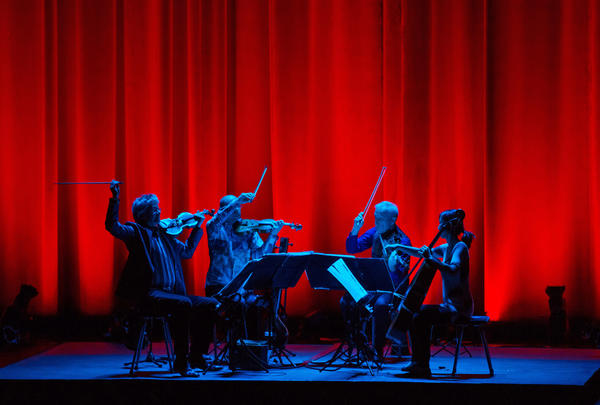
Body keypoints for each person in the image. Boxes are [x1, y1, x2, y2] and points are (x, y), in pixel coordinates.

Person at [105, 180, 219, 377]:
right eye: (155, 209)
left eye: (158, 209)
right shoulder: (136, 233)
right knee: (183, 305)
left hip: (172, 294)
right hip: (149, 295)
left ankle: (196, 356)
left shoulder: (165, 235)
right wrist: (115, 199)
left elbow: (188, 252)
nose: (160, 212)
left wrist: (197, 227)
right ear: (143, 215)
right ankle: (181, 363)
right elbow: (112, 226)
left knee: (209, 304)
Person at [394, 208, 474, 377]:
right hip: (449, 306)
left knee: (419, 317)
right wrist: (398, 247)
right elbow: (420, 253)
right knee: (414, 312)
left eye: (440, 223)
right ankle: (417, 362)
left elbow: (453, 269)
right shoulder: (447, 247)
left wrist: (431, 259)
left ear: (448, 227)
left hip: (459, 309)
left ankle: (421, 366)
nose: (438, 227)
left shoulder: (460, 247)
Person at [204, 193, 284, 338]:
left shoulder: (248, 230)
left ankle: (253, 350)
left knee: (260, 306)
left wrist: (273, 235)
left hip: (241, 288)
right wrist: (237, 201)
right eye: (234, 207)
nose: (238, 210)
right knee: (240, 307)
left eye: (239, 207)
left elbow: (261, 255)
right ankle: (237, 349)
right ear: (224, 209)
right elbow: (216, 220)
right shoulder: (214, 228)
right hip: (219, 287)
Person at [343, 201, 412, 358]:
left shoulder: (403, 241)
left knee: (380, 305)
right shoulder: (375, 233)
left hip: (393, 289)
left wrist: (394, 265)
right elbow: (352, 248)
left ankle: (377, 350)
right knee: (347, 301)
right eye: (375, 218)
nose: (376, 222)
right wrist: (355, 229)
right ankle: (359, 343)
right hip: (374, 287)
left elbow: (399, 276)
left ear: (393, 220)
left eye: (380, 219)